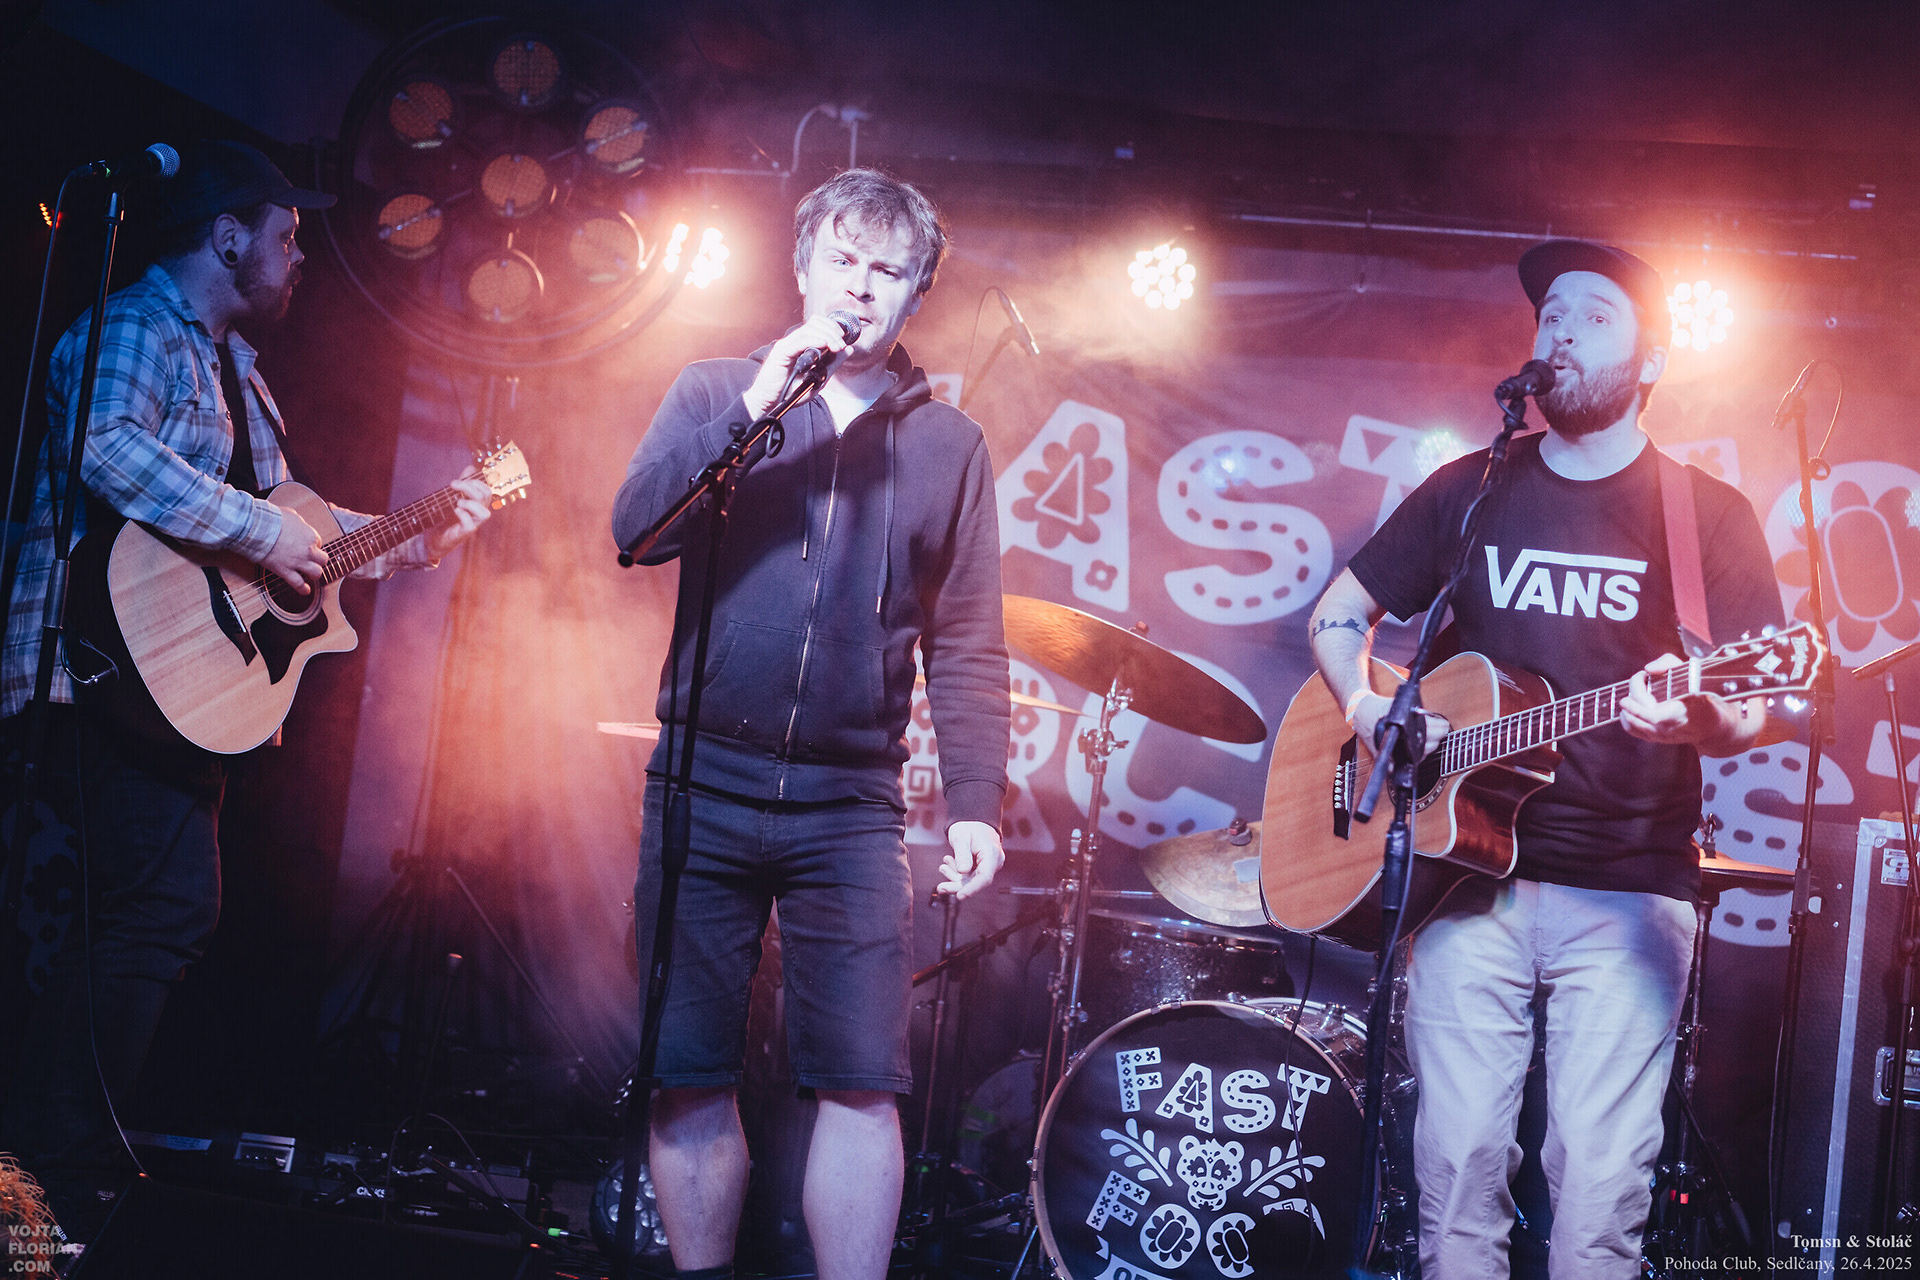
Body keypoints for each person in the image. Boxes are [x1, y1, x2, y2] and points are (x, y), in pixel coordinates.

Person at [0, 140, 494, 1237]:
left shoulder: (243, 376)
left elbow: (299, 532)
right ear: (228, 237)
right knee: (164, 904)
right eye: (286, 236)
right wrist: (261, 531)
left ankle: (51, 1166)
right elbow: (105, 446)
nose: (299, 258)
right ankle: (51, 1171)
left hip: (171, 684)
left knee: (144, 911)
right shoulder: (139, 323)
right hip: (93, 663)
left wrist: (424, 531)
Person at [1306, 240, 1784, 1278]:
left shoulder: (1706, 515)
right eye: (1551, 314)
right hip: (1464, 879)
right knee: (1455, 1175)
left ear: (1652, 363)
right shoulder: (1472, 488)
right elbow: (1339, 613)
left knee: (1599, 1190)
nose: (1560, 331)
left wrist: (1695, 721)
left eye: (1595, 318)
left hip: (1626, 888)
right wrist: (1369, 707)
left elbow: (1757, 707)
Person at [611, 168, 1010, 1280]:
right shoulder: (715, 392)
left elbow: (968, 640)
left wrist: (977, 802)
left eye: (889, 271)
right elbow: (637, 533)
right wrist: (756, 406)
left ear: (916, 293)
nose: (861, 287)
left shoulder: (950, 445)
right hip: (702, 783)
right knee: (687, 1068)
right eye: (843, 259)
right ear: (803, 269)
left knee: (861, 1078)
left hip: (849, 805)